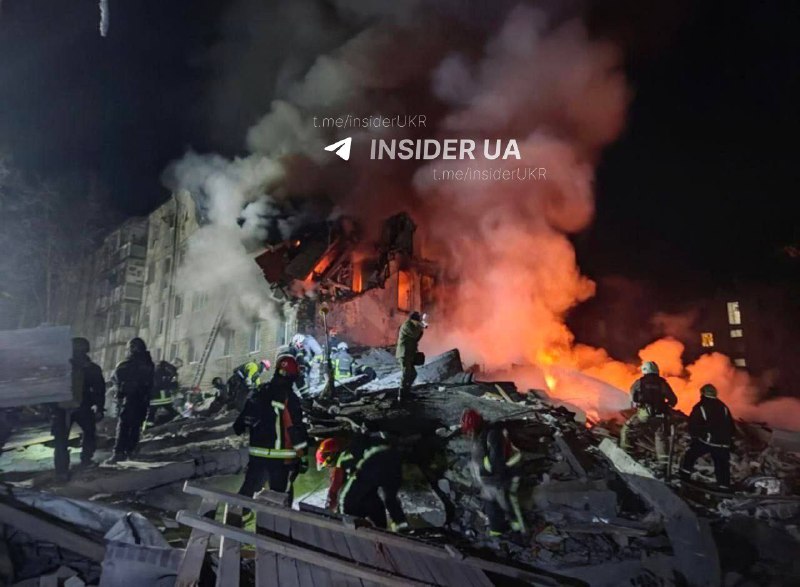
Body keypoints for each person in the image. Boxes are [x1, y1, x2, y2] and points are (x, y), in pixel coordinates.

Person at [234, 352, 308, 503]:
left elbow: (239, 425)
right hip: (280, 460)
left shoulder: (260, 391)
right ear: (293, 377)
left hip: (257, 457)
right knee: (278, 500)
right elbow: (295, 429)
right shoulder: (290, 398)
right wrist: (303, 456)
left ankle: (233, 515)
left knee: (246, 496)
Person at [316, 433, 408, 531]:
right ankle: (399, 528)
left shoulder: (343, 460)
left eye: (328, 464)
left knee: (346, 500)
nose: (330, 467)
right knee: (385, 499)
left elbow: (334, 490)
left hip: (375, 470)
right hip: (393, 463)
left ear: (332, 455)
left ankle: (349, 529)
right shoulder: (357, 448)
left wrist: (327, 511)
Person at [460, 408, 525, 537]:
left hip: (500, 476)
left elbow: (495, 459)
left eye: (471, 430)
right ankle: (497, 531)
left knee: (507, 503)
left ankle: (520, 530)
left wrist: (483, 471)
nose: (470, 433)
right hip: (488, 479)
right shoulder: (479, 434)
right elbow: (480, 455)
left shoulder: (492, 434)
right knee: (491, 504)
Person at [52, 337, 106, 479]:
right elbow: (99, 390)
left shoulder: (61, 366)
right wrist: (100, 408)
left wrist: (50, 408)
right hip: (83, 407)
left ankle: (61, 471)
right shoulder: (92, 368)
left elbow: (51, 387)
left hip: (62, 409)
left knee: (61, 440)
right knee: (89, 433)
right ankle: (86, 461)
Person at [106, 338, 154, 464]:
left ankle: (119, 453)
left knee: (124, 426)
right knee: (135, 426)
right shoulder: (148, 363)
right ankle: (131, 451)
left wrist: (120, 392)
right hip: (143, 400)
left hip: (129, 399)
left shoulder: (127, 364)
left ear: (132, 348)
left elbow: (117, 379)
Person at [680, 384, 736, 489]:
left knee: (690, 455)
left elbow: (693, 424)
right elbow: (731, 426)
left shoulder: (701, 406)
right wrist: (730, 441)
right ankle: (723, 487)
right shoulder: (723, 407)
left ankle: (684, 478)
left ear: (702, 393)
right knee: (722, 465)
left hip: (708, 441)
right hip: (723, 443)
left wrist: (695, 438)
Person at [619, 361, 678, 461]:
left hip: (644, 415)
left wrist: (638, 403)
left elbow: (633, 397)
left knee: (627, 429)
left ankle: (627, 452)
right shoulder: (662, 383)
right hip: (660, 416)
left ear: (644, 370)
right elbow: (673, 400)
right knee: (661, 437)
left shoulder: (639, 382)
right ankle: (663, 463)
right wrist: (666, 406)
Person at [395, 312, 425, 402]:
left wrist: (421, 329)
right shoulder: (407, 325)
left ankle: (407, 391)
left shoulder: (413, 326)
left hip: (409, 354)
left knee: (413, 374)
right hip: (404, 353)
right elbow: (414, 334)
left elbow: (417, 338)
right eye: (417, 321)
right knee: (406, 373)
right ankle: (401, 394)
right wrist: (420, 327)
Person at [145, 359, 180, 427]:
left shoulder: (157, 371)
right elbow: (161, 384)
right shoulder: (166, 372)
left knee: (152, 413)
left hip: (156, 397)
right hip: (160, 397)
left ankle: (148, 426)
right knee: (168, 409)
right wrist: (173, 384)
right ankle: (176, 418)